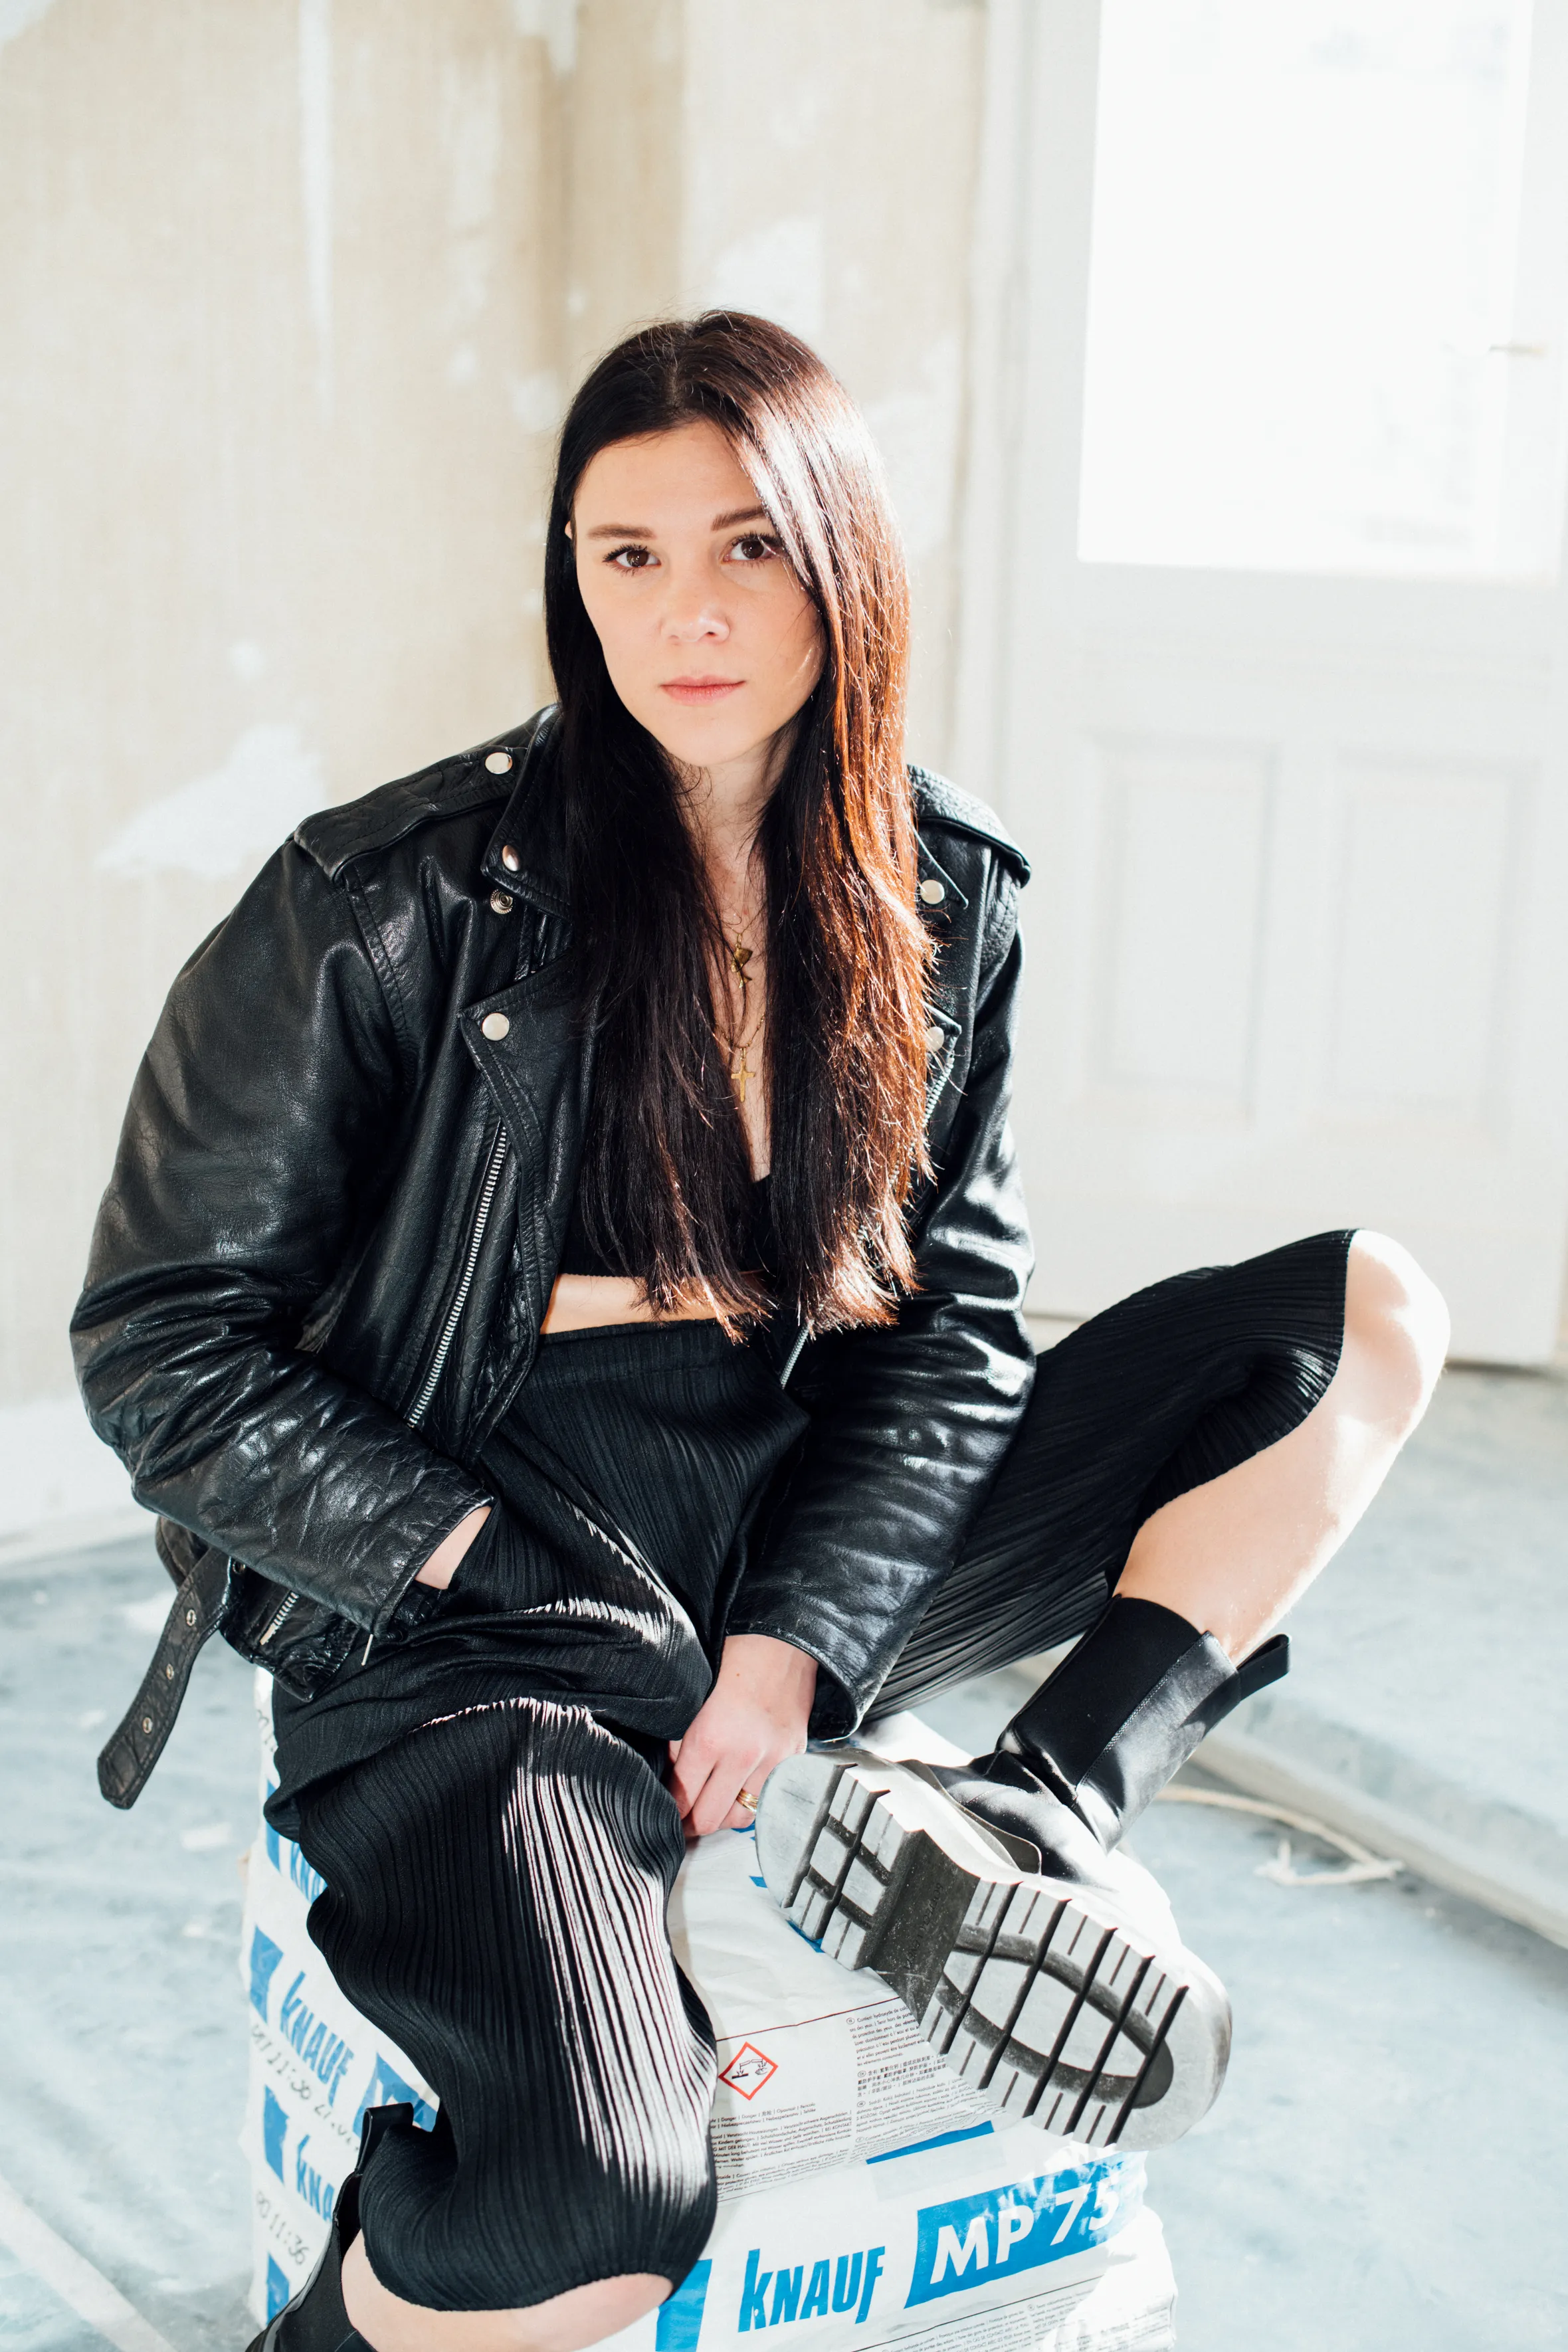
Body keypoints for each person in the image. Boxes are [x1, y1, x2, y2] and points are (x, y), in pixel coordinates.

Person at [72, 312, 1448, 2352]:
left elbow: (956, 1323)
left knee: (1360, 1319)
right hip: (473, 1610)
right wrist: (493, 1564)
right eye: (624, 556)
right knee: (603, 2203)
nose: (684, 613)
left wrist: (792, 1648)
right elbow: (165, 1350)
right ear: (571, 579)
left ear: (845, 565)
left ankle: (1040, 1806)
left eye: (746, 548)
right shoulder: (381, 905)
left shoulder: (939, 891)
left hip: (792, 1548)